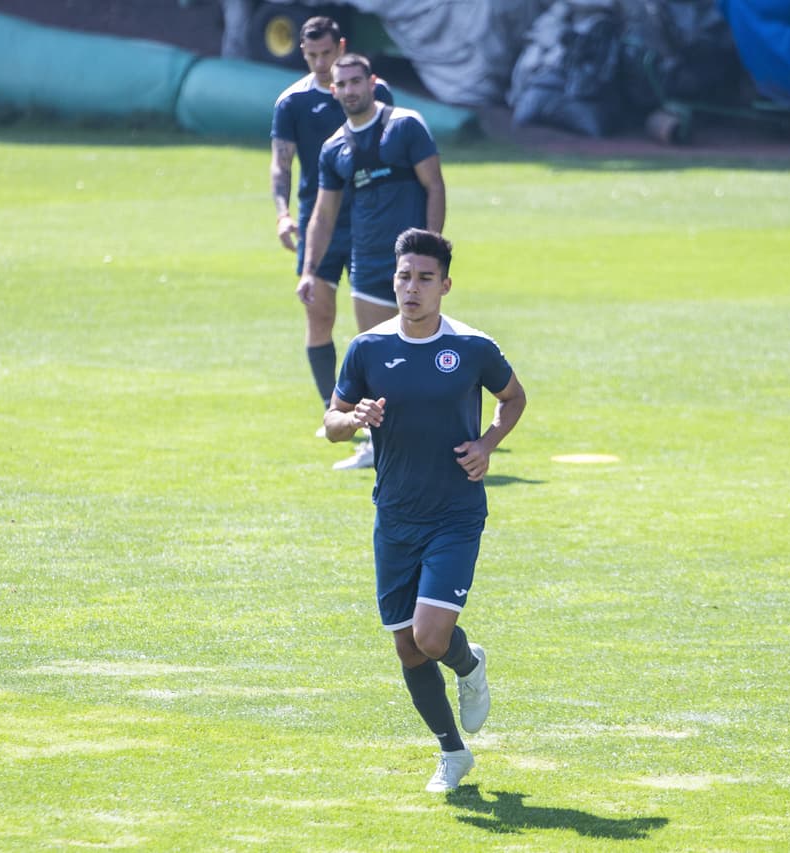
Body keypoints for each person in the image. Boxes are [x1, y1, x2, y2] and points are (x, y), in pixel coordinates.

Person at [323, 228, 527, 792]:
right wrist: (353, 418)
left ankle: (469, 664)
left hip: (455, 514)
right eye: (404, 277)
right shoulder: (368, 348)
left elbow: (513, 398)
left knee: (432, 639)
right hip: (394, 517)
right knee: (407, 647)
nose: (411, 288)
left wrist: (487, 444)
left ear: (445, 286)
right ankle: (453, 754)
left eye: (424, 279)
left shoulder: (472, 348)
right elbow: (331, 424)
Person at [302, 53, 447, 470]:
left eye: (356, 81)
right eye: (342, 84)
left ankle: (437, 439)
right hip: (366, 263)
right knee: (379, 359)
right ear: (333, 90)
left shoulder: (406, 126)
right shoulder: (334, 148)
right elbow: (324, 214)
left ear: (371, 82)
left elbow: (435, 186)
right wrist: (310, 270)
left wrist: (432, 251)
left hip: (413, 266)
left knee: (422, 350)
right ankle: (377, 446)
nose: (350, 90)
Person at [271, 19, 393, 448]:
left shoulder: (374, 93)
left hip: (368, 222)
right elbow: (281, 164)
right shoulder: (292, 102)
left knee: (376, 324)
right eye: (312, 56)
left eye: (327, 53)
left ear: (341, 47)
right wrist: (283, 214)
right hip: (319, 221)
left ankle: (384, 415)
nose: (321, 63)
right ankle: (334, 411)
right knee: (319, 314)